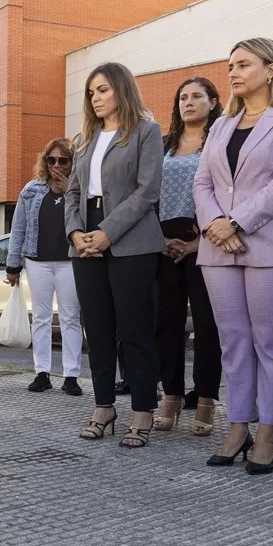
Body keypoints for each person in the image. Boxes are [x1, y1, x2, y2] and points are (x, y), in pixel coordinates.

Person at [193, 38, 273, 475]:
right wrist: (215, 225)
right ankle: (237, 426)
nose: (233, 72)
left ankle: (268, 432)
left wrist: (236, 222)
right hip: (217, 246)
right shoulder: (223, 124)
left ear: (271, 69)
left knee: (271, 344)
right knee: (234, 343)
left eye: (243, 64)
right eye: (229, 65)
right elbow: (202, 184)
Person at [65, 62, 166, 448]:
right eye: (91, 92)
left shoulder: (146, 131)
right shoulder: (84, 140)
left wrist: (107, 232)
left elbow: (147, 191)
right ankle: (103, 407)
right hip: (84, 238)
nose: (96, 98)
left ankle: (143, 410)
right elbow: (72, 192)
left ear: (121, 89)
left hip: (130, 239)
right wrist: (76, 233)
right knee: (98, 329)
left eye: (103, 90)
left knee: (135, 328)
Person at [153, 78, 223, 436]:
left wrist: (199, 244)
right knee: (167, 324)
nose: (189, 102)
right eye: (183, 97)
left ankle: (207, 399)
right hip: (165, 244)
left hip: (207, 241)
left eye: (197, 96)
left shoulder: (221, 141)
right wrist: (160, 238)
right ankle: (172, 396)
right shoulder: (164, 145)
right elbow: (149, 194)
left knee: (208, 326)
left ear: (213, 101)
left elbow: (228, 194)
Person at [5, 137, 83, 396]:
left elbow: (86, 220)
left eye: (63, 160)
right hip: (37, 261)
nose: (57, 165)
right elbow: (18, 228)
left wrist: (70, 189)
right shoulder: (31, 190)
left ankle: (71, 375)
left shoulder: (79, 188)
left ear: (73, 162)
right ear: (44, 161)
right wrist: (12, 264)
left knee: (71, 318)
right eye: (52, 160)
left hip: (69, 261)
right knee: (41, 317)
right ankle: (42, 373)